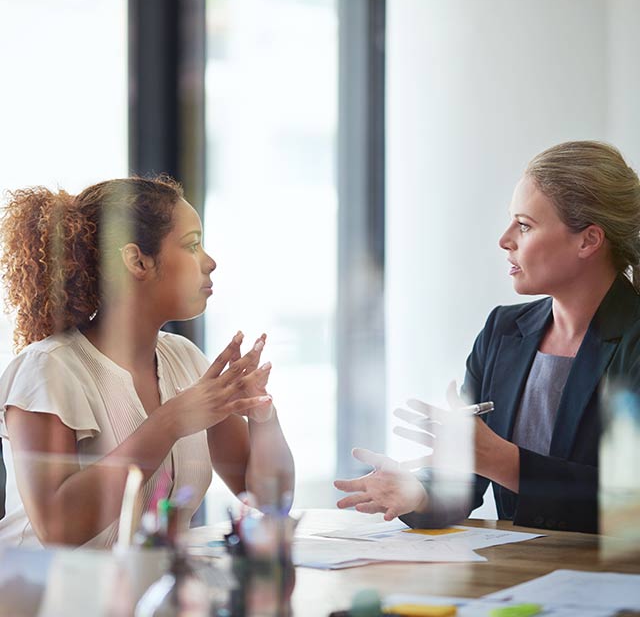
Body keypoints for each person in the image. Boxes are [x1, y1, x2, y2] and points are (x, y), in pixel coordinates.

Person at [335, 140, 640, 533]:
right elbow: (467, 479)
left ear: (588, 240)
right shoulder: (502, 331)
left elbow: (630, 504)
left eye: (525, 225)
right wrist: (419, 492)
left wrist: (503, 461)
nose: (505, 239)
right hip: (516, 578)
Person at [0, 176, 294, 548]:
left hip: (141, 598)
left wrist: (262, 414)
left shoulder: (184, 358)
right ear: (137, 260)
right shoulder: (47, 369)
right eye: (192, 245)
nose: (210, 262)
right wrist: (170, 421)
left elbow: (270, 500)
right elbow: (58, 529)